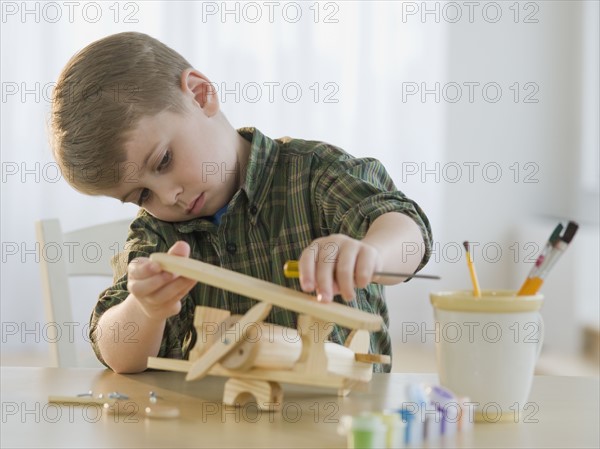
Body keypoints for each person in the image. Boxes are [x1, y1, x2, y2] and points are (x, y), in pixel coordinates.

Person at [50, 32, 432, 374]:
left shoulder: (314, 174)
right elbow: (118, 356)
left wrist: (371, 254)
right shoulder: (158, 233)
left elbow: (407, 234)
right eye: (142, 195)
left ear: (201, 95)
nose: (168, 197)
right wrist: (145, 309)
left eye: (164, 161)